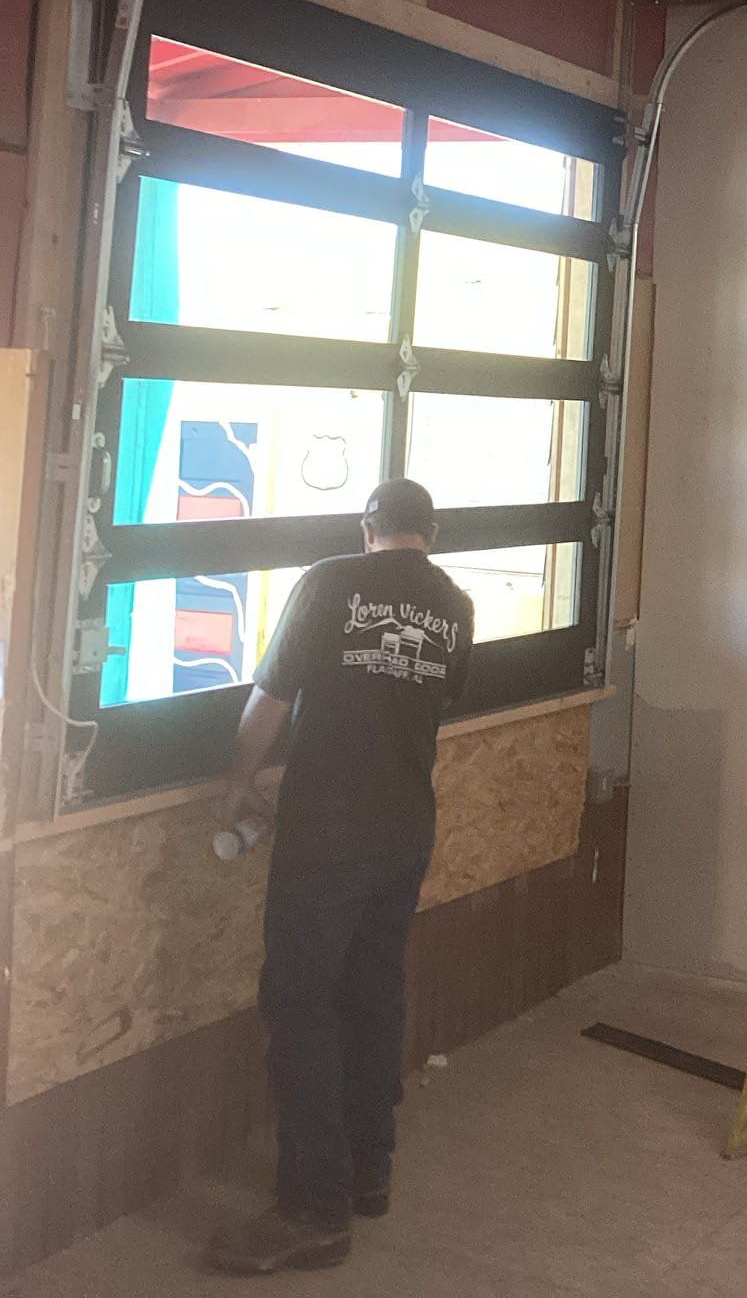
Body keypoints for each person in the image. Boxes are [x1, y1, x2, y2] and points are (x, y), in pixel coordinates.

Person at [210, 478, 474, 1276]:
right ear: (429, 533)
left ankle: (313, 1210)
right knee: (374, 994)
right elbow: (424, 707)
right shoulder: (457, 606)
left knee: (299, 1008)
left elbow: (271, 696)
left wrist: (237, 778)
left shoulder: (329, 582)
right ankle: (367, 1170)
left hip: (327, 836)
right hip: (404, 829)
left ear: (368, 528)